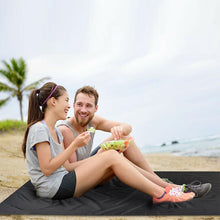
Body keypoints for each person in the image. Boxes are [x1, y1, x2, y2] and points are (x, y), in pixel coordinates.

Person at [22, 82, 195, 204]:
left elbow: (63, 166)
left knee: (118, 146)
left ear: (95, 108)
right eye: (67, 101)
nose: (68, 106)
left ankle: (164, 186)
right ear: (53, 102)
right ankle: (162, 193)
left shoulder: (51, 129)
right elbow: (47, 169)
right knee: (110, 155)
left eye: (69, 101)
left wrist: (101, 152)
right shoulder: (42, 129)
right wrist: (78, 147)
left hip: (62, 180)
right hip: (54, 188)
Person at [57, 86, 212, 198]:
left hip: (91, 167)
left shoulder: (93, 121)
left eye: (88, 106)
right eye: (79, 104)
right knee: (111, 154)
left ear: (96, 108)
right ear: (73, 105)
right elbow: (70, 171)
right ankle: (172, 188)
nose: (83, 110)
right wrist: (100, 157)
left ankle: (158, 180)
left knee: (125, 140)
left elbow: (127, 127)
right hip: (79, 180)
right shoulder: (65, 130)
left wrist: (120, 129)